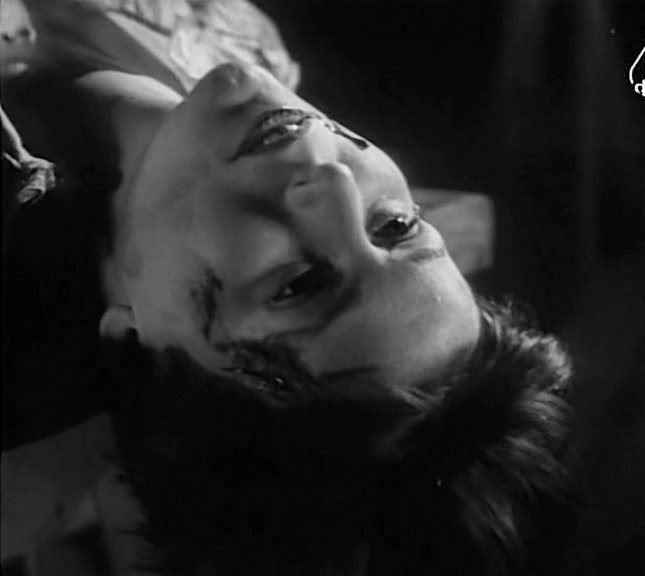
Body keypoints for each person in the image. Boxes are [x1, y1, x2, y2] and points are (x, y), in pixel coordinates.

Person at [3, 2, 577, 575]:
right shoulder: (241, 41)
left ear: (138, 338)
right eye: (396, 226)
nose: (336, 182)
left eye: (298, 285)